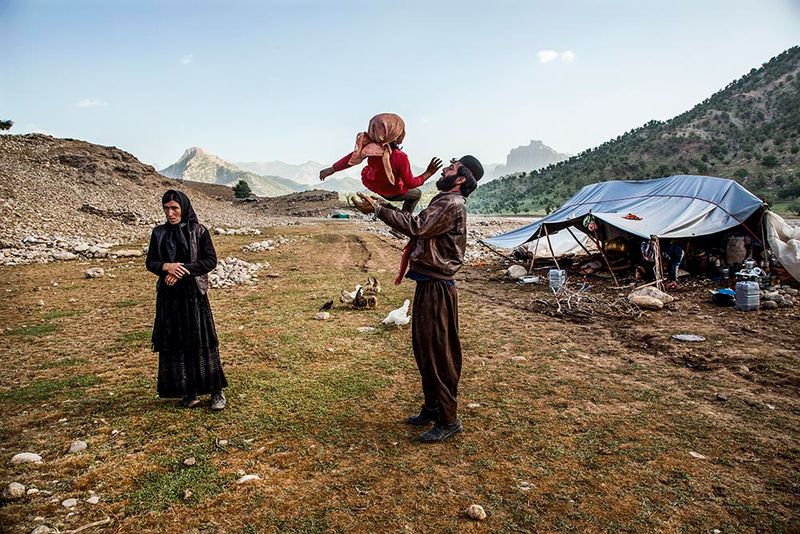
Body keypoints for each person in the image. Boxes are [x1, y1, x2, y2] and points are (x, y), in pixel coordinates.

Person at [351, 155, 484, 442]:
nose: (446, 170)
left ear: (460, 179)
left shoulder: (450, 203)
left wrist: (379, 210)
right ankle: (432, 407)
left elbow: (417, 227)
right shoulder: (446, 201)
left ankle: (448, 419)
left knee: (438, 353)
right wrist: (383, 207)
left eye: (451, 168)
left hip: (437, 287)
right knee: (425, 350)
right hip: (430, 285)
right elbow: (418, 223)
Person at [145, 190, 228, 410]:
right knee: (176, 342)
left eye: (174, 208)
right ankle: (188, 391)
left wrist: (180, 270)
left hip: (193, 297)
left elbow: (209, 261)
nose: (170, 213)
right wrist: (165, 267)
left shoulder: (198, 231)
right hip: (169, 298)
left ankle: (216, 391)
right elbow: (151, 262)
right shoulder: (159, 233)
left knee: (202, 341)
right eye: (166, 208)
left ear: (184, 207)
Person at [319, 113, 442, 212]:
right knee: (417, 194)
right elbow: (410, 183)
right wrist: (428, 172)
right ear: (395, 136)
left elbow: (351, 158)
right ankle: (402, 220)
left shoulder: (370, 148)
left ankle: (378, 205)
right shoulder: (400, 157)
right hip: (392, 192)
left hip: (374, 185)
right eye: (402, 130)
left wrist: (332, 169)